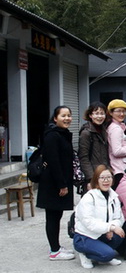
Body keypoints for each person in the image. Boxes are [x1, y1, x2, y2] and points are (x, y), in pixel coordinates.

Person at [37, 106, 76, 261]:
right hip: (53, 183)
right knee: (52, 216)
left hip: (59, 180)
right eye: (63, 116)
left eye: (69, 115)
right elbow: (54, 162)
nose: (67, 119)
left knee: (56, 214)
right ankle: (54, 251)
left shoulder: (62, 133)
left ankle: (56, 246)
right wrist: (61, 184)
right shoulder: (52, 135)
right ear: (55, 118)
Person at [73, 165, 125, 269]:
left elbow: (119, 218)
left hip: (102, 234)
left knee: (120, 235)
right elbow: (89, 222)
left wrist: (111, 228)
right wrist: (110, 227)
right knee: (108, 254)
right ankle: (85, 253)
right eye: (102, 178)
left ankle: (101, 254)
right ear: (96, 179)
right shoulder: (89, 197)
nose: (106, 181)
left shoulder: (114, 196)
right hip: (85, 236)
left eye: (109, 177)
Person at [78, 102, 109, 192]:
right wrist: (90, 179)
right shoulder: (86, 133)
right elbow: (83, 157)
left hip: (104, 173)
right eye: (96, 113)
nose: (99, 116)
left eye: (102, 113)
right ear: (90, 115)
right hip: (93, 175)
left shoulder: (103, 130)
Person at [106, 99, 126, 175]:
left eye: (124, 111)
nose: (122, 114)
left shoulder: (118, 126)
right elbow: (116, 151)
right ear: (111, 113)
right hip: (119, 168)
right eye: (118, 111)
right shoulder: (115, 129)